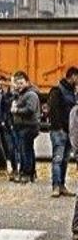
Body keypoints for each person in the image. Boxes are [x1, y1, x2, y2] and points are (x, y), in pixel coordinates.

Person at [8, 72, 41, 185]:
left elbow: (30, 109)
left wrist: (17, 111)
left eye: (21, 83)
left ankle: (26, 174)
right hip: (23, 126)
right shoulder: (20, 94)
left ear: (27, 82)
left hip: (28, 126)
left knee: (25, 151)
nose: (19, 85)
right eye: (17, 83)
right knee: (28, 150)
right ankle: (30, 172)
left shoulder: (31, 94)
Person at [48, 67, 76, 197]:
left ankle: (62, 185)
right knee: (58, 159)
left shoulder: (72, 92)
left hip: (69, 130)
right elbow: (53, 110)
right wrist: (58, 127)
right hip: (60, 130)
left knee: (64, 160)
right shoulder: (57, 91)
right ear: (72, 76)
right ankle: (56, 186)